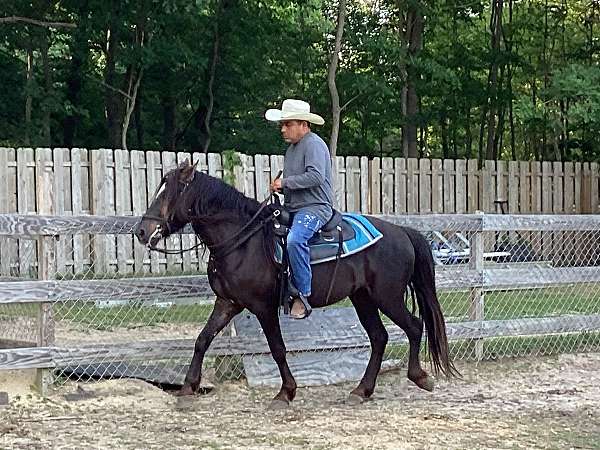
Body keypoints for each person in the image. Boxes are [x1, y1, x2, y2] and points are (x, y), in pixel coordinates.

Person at [265, 99, 334, 319]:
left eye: (288, 124)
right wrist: (282, 189)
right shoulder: (291, 150)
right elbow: (298, 185)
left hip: (315, 208)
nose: (283, 129)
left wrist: (284, 183)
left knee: (295, 239)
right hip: (294, 207)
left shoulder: (313, 144)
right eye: (282, 125)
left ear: (303, 124)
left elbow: (315, 177)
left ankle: (303, 295)